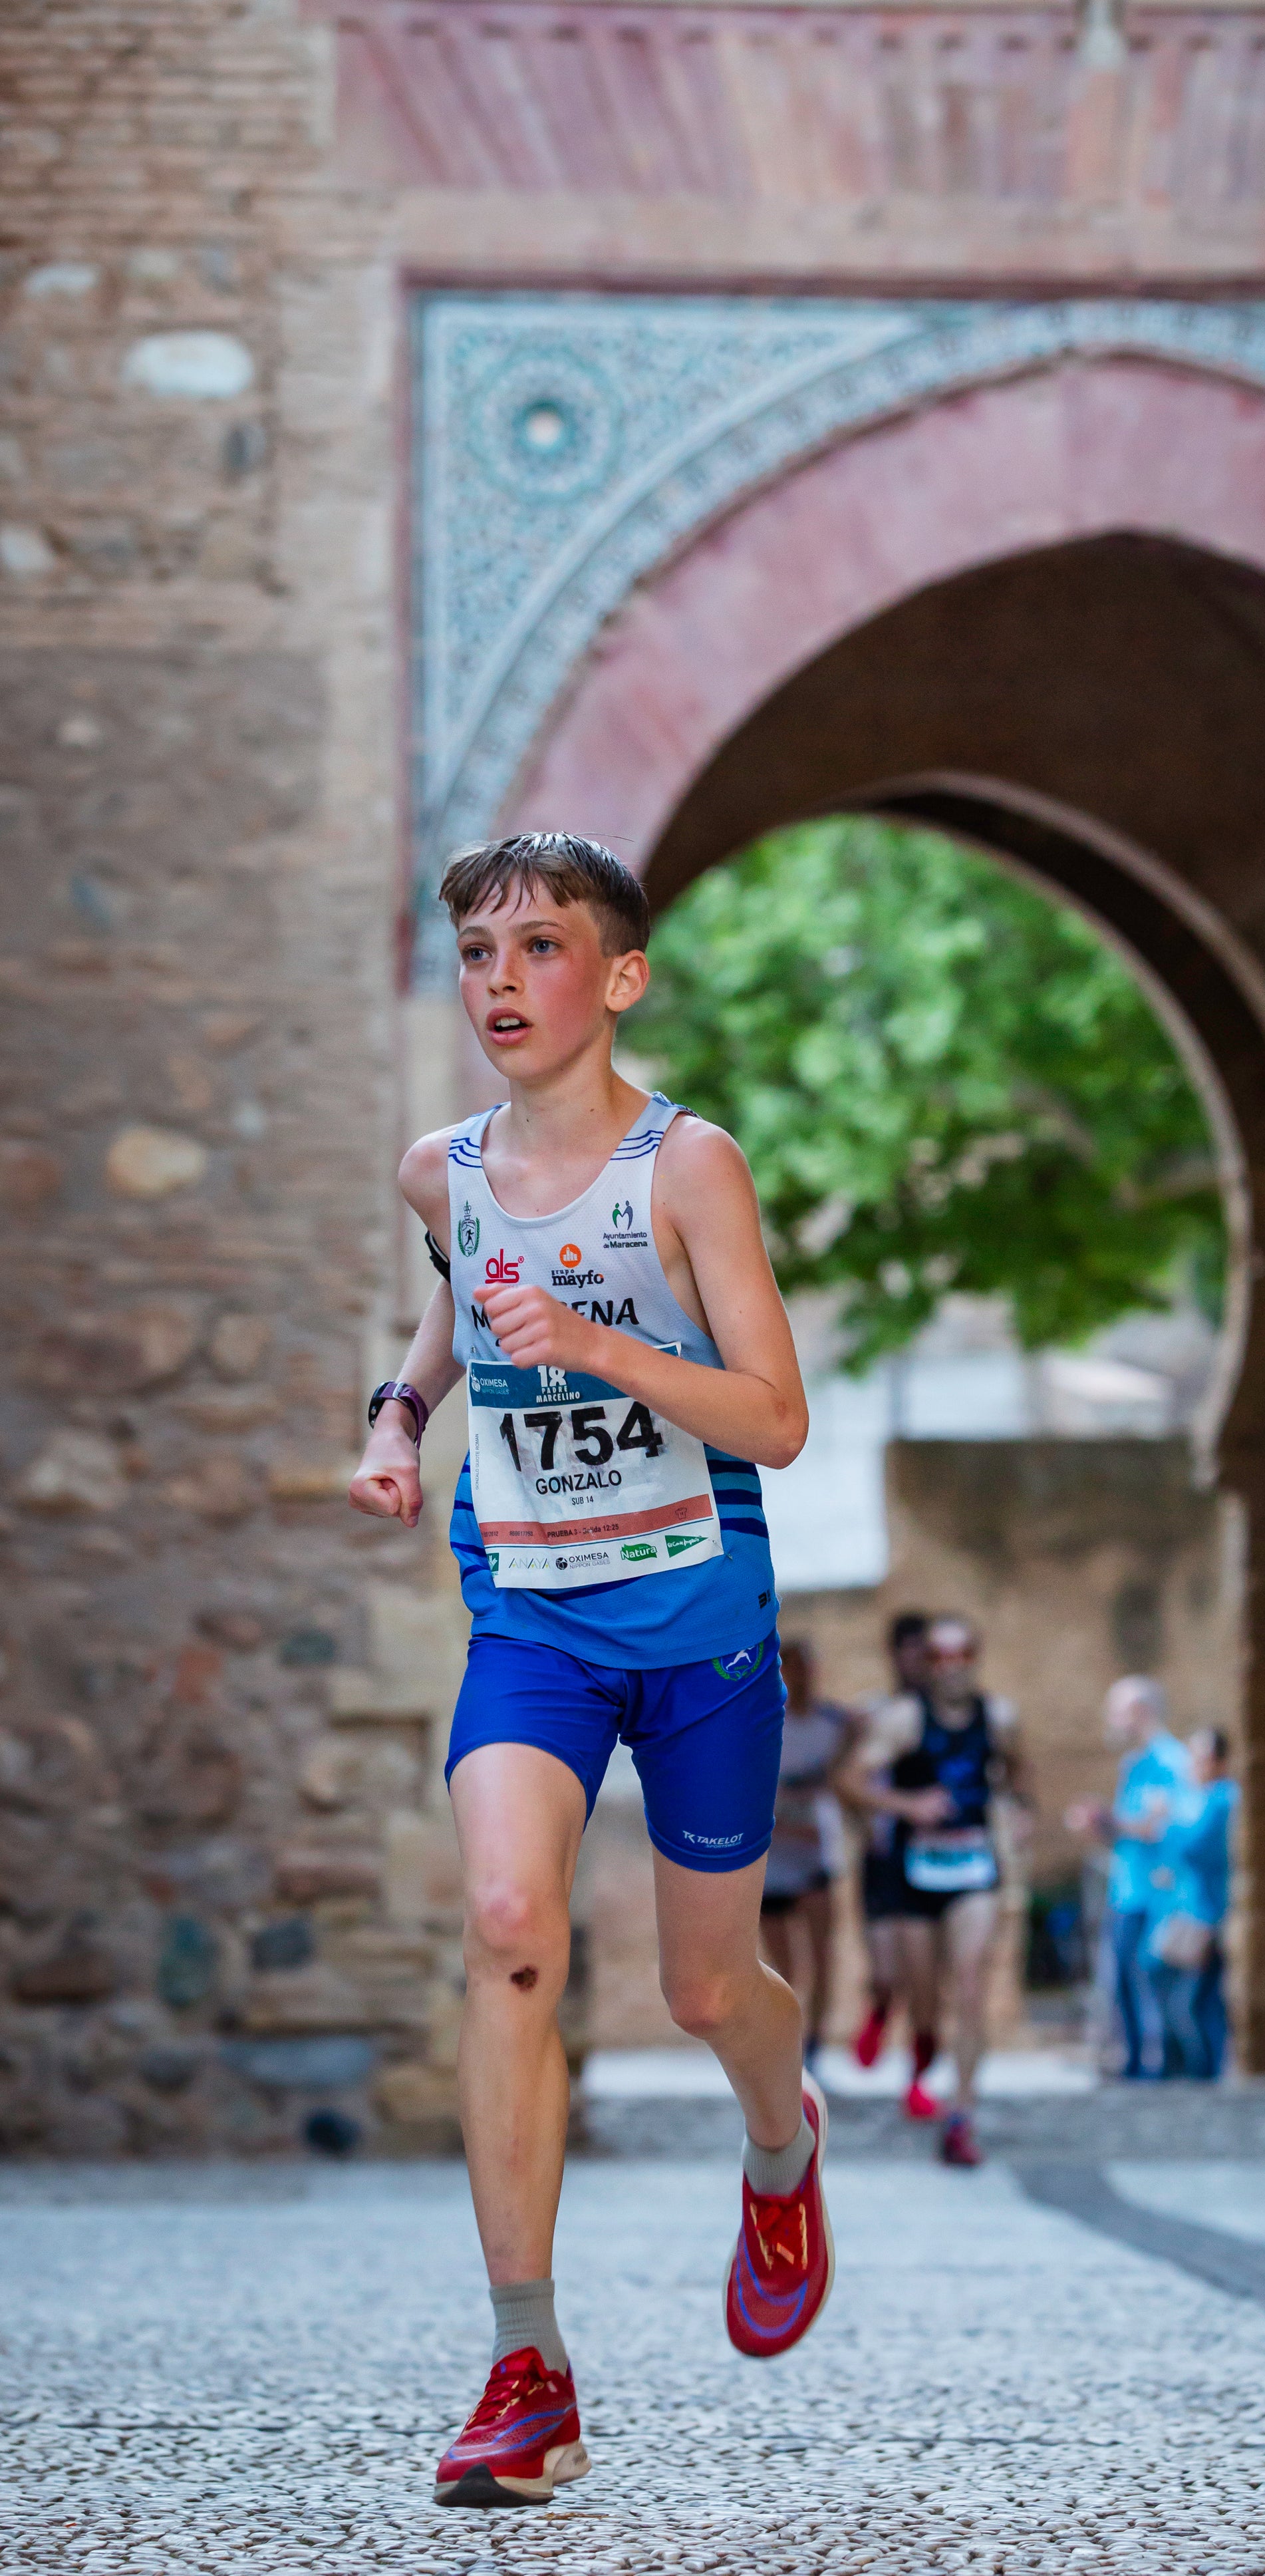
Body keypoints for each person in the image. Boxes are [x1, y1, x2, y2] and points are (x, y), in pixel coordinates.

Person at [348, 832, 831, 2509]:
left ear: (617, 979)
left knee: (706, 1991)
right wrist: (401, 1424)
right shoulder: (442, 1170)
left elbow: (774, 1418)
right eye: (477, 952)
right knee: (506, 1931)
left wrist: (608, 1344)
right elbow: (458, 1321)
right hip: (533, 1615)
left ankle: (779, 2141)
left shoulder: (688, 1169)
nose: (501, 981)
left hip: (699, 1624)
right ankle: (523, 2364)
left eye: (538, 949)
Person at [837, 1615, 1033, 2165]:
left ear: (976, 1657)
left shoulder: (998, 1717)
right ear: (927, 1664)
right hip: (914, 1872)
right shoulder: (903, 1720)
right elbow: (850, 1780)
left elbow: (1019, 1774)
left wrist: (1021, 1812)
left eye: (961, 1655)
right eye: (939, 1657)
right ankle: (922, 2055)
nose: (951, 1667)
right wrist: (908, 1806)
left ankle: (962, 2115)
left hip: (974, 1868)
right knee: (923, 1998)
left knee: (971, 1985)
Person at [1065, 1677, 1191, 2082]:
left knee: (1147, 1985)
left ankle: (1157, 2068)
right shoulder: (1134, 1765)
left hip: (1154, 1895)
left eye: (1117, 1712)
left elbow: (1160, 1827)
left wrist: (1106, 1818)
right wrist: (1101, 1824)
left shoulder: (1171, 1761)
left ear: (1141, 1712)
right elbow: (1128, 1830)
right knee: (1121, 1984)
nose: (1111, 1722)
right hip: (1126, 1890)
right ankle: (1134, 2066)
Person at [760, 1640, 855, 2076]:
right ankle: (786, 2050)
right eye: (790, 1667)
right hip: (771, 1867)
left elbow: (848, 1771)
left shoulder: (834, 1725)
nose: (799, 1675)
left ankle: (813, 2050)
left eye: (805, 1666)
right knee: (784, 1972)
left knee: (823, 1961)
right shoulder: (763, 1725)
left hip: (816, 1863)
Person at [849, 1611, 933, 2089]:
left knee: (925, 1976)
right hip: (882, 1855)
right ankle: (879, 2009)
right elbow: (845, 1779)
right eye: (910, 1651)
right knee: (885, 1971)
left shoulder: (947, 1716)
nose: (918, 1661)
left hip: (929, 1858)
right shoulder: (873, 1713)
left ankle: (917, 2080)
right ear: (895, 1655)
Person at [1142, 1729, 1235, 2082]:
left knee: (1198, 2001)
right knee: (1187, 1996)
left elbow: (1194, 1849)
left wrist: (1164, 1819)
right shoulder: (1198, 1799)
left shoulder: (1223, 1799)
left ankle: (1207, 2072)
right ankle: (1190, 2069)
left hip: (1209, 1912)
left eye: (1203, 1758)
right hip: (1187, 1910)